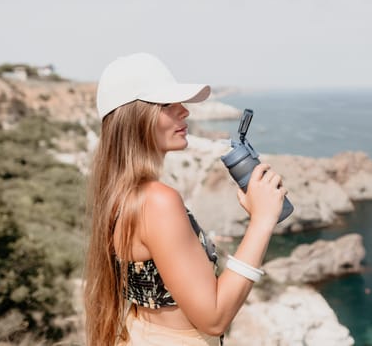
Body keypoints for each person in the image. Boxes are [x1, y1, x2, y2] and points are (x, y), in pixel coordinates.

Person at [84, 53, 287, 346]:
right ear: (134, 117)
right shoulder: (157, 200)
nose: (185, 111)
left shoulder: (122, 195)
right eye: (167, 104)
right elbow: (214, 318)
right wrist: (262, 221)